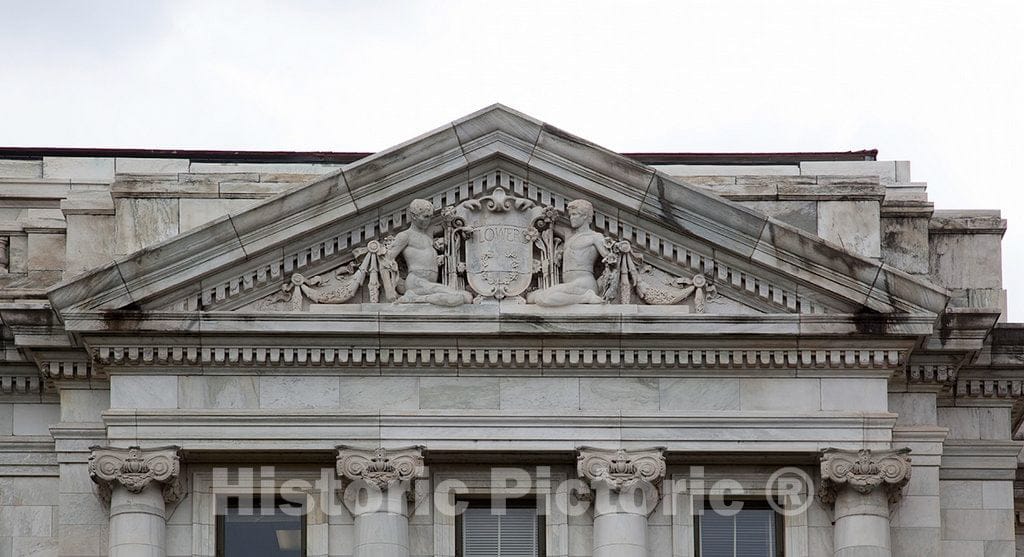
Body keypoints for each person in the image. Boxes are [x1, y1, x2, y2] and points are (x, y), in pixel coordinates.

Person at [384, 199, 473, 307]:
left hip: (429, 285)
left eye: (430, 217)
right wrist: (392, 287)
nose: (429, 220)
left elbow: (448, 220)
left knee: (466, 297)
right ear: (413, 216)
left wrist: (463, 207)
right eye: (425, 217)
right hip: (416, 282)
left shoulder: (429, 234)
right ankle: (414, 298)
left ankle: (415, 299)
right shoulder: (406, 236)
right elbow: (385, 260)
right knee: (460, 297)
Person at [526, 199, 608, 306]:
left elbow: (610, 260)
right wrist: (533, 206)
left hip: (584, 284)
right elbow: (544, 221)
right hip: (570, 285)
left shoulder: (595, 237)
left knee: (543, 299)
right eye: (570, 215)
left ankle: (585, 297)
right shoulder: (568, 234)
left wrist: (603, 283)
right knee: (530, 297)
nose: (571, 218)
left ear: (585, 216)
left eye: (574, 214)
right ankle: (580, 298)